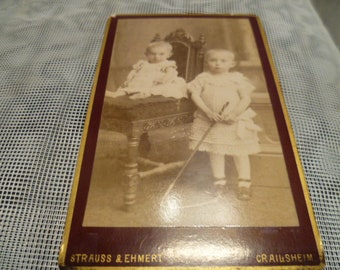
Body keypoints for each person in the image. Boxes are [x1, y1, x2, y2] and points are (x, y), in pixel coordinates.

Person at [187, 49, 261, 200]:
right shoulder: (203, 78)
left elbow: (245, 99)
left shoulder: (236, 79)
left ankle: (244, 184)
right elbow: (195, 95)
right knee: (215, 150)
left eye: (223, 61)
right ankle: (219, 182)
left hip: (233, 120)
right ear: (207, 62)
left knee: (239, 152)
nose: (218, 63)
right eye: (213, 60)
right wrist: (208, 112)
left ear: (232, 64)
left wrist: (234, 114)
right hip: (210, 119)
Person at [106, 41, 187, 99]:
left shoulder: (167, 64)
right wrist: (128, 80)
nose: (156, 57)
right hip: (140, 81)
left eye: (161, 54)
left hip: (156, 82)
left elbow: (171, 73)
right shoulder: (143, 63)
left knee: (159, 88)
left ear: (169, 55)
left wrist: (163, 80)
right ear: (146, 54)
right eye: (153, 54)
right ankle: (116, 94)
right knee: (128, 87)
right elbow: (134, 72)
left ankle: (144, 94)